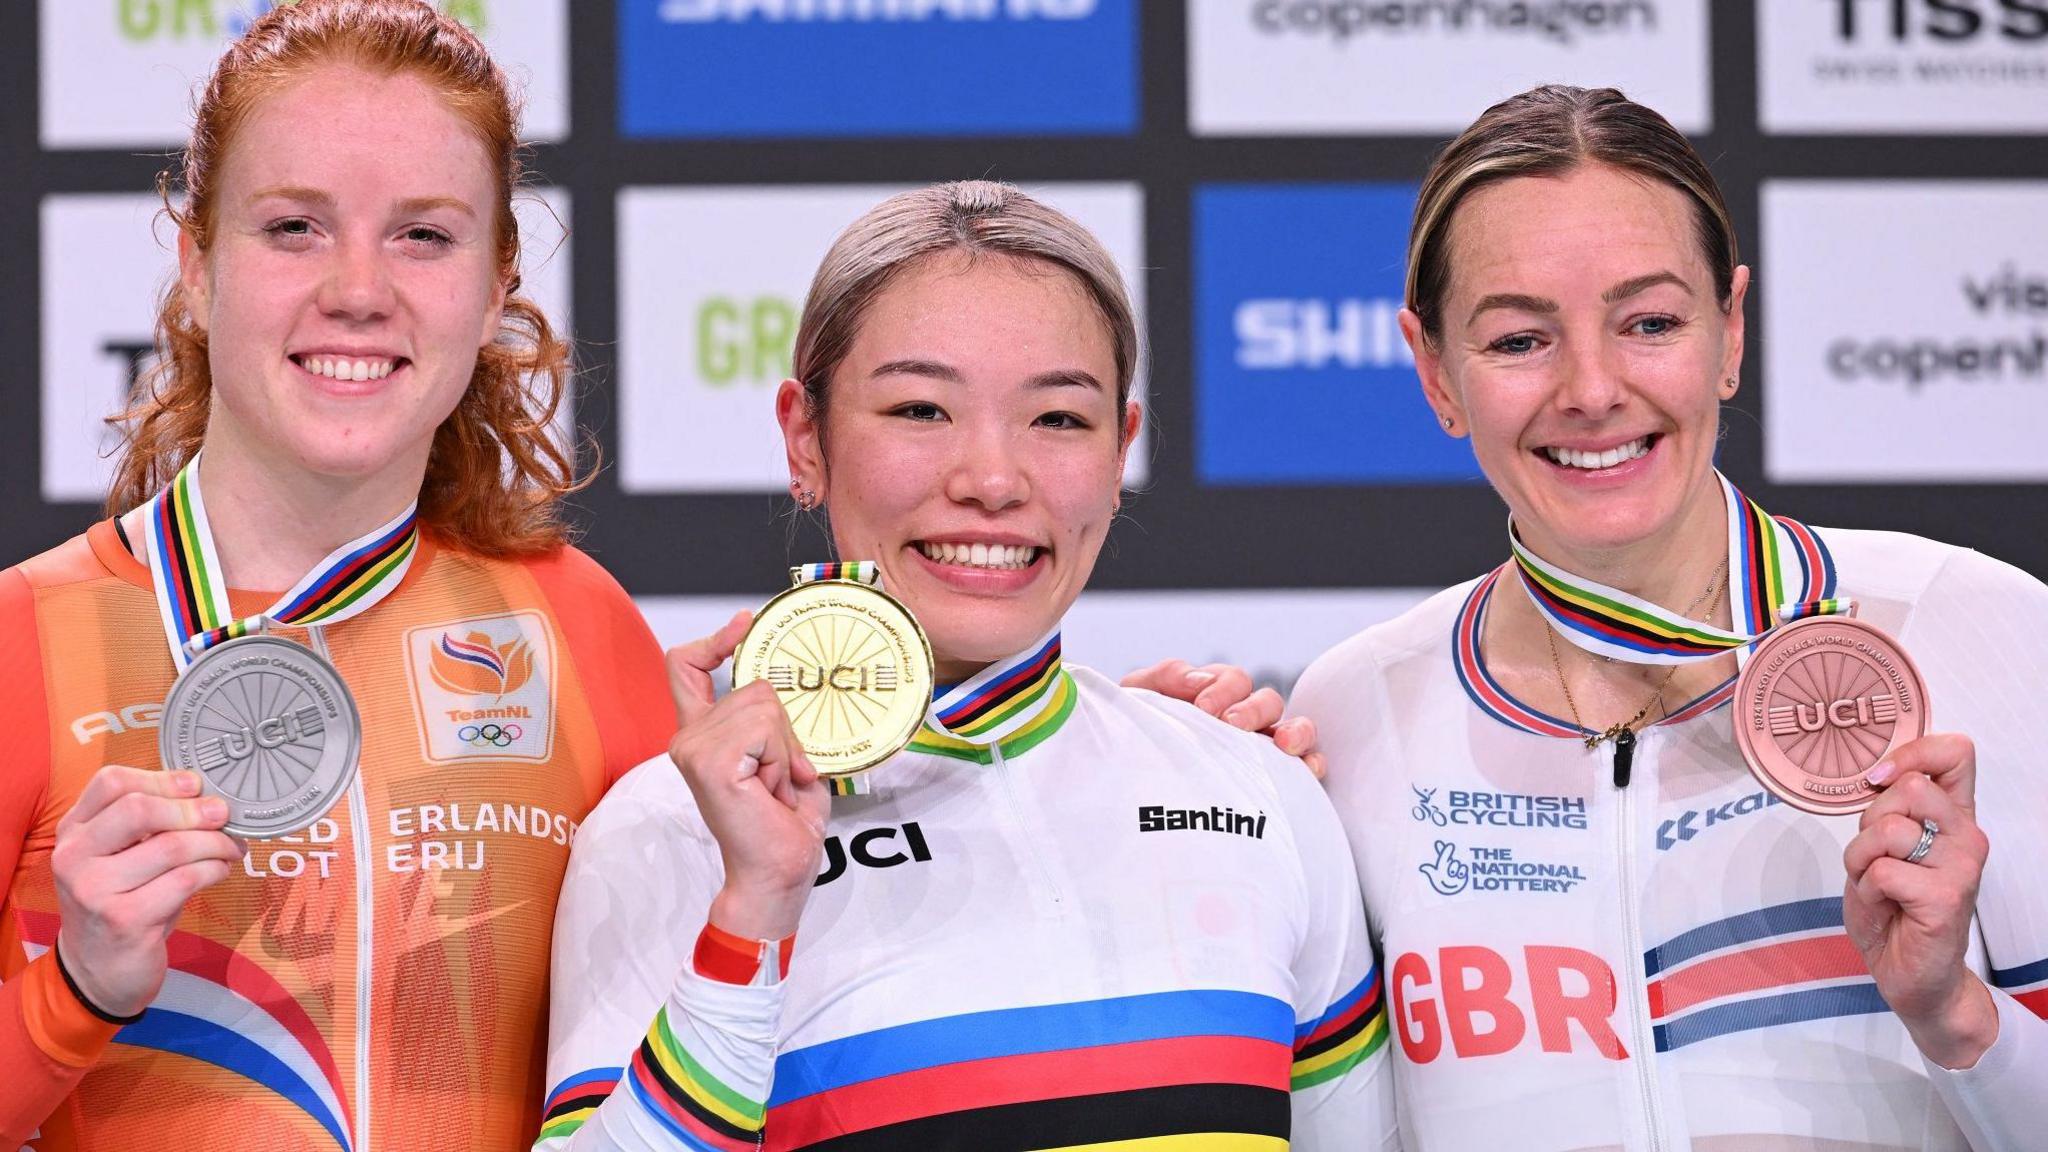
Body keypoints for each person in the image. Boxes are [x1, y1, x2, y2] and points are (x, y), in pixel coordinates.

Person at [537, 181, 1397, 1151]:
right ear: (804, 437)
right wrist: (752, 913)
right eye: (920, 408)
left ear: (1120, 448)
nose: (991, 479)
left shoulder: (1254, 790)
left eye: (1058, 419)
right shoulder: (669, 833)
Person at [1285, 85, 2044, 1150]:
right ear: (1431, 372)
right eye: (1516, 341)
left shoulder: (1972, 631)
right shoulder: (1352, 711)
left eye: (1649, 322)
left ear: (1729, 333)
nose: (1592, 389)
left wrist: (1955, 1016)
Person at [0, 3, 676, 1147]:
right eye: (295, 228)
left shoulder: (580, 628)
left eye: (423, 235)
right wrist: (78, 986)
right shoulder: (25, 641)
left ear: (497, 279)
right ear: (198, 264)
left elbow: (697, 1071)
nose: (359, 288)